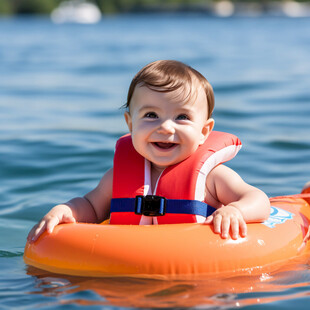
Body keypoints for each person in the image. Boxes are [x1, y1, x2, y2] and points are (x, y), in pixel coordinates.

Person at [27, 60, 270, 243]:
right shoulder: (116, 177)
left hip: (196, 262)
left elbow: (259, 200)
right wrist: (65, 210)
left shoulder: (213, 178)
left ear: (204, 132)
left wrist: (234, 210)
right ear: (130, 123)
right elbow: (91, 207)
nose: (165, 127)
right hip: (132, 262)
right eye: (151, 115)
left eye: (182, 117)